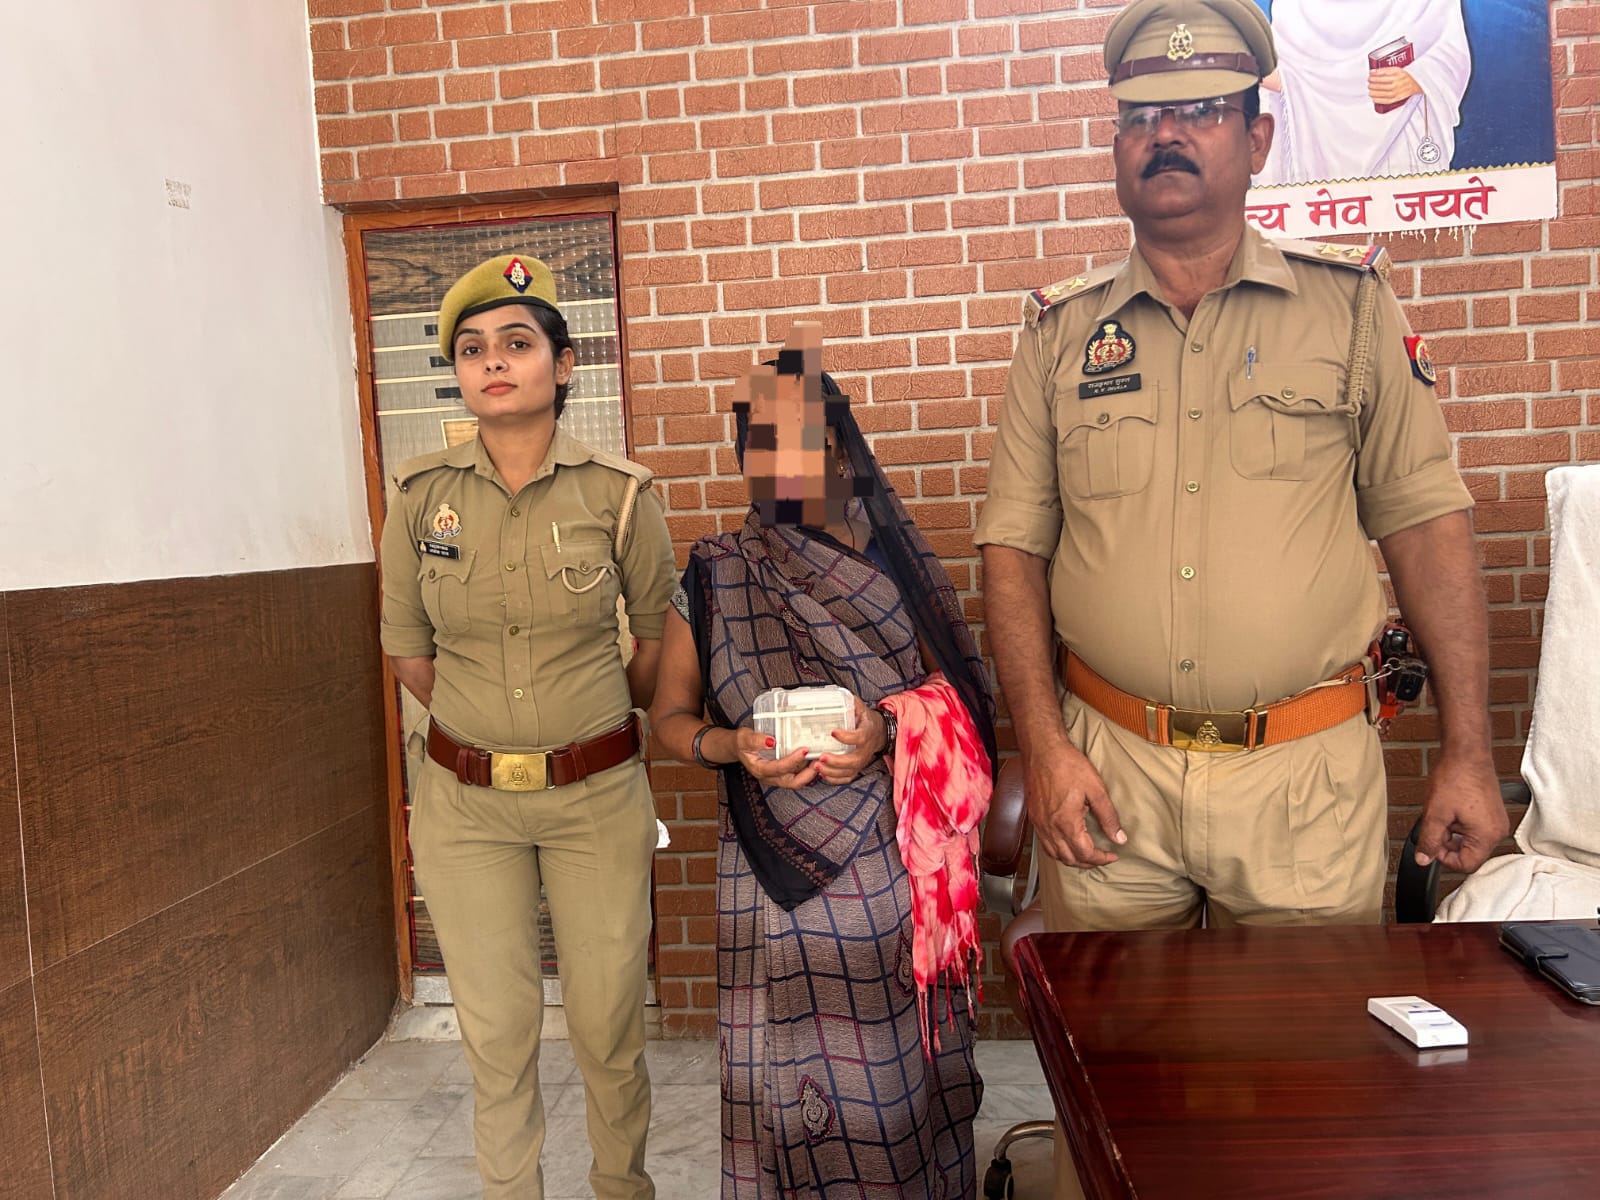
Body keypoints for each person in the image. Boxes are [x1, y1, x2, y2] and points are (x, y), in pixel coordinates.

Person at [974, 2, 1507, 1193]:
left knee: (1307, 1097)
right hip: (1108, 773)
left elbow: (1427, 528)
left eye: (1201, 112)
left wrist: (1469, 754)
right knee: (1109, 1091)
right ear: (1116, 146)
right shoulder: (1058, 335)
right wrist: (1044, 751)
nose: (1165, 136)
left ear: (1257, 139)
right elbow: (1012, 551)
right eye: (1140, 119)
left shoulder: (1349, 309)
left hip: (1305, 780)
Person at [649, 327, 997, 1199]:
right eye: (760, 444)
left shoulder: (898, 565)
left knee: (890, 1073)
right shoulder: (717, 572)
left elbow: (961, 699)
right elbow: (670, 718)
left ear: (841, 448)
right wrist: (731, 746)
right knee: (780, 1073)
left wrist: (886, 729)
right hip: (765, 870)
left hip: (887, 863)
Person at [379, 253, 675, 1200]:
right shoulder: (418, 497)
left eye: (516, 342)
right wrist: (487, 732)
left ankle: (622, 1187)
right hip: (466, 806)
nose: (493, 362)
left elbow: (655, 646)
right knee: (497, 1034)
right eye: (472, 350)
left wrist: (584, 724)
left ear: (564, 362)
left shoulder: (620, 495)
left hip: (595, 799)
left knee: (608, 1024)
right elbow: (409, 651)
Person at [1255, 0, 1471, 184]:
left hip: (1398, 132)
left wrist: (1415, 79)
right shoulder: (1295, 5)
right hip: (1318, 139)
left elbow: (1450, 53)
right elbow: (1286, 71)